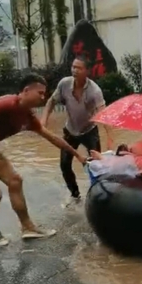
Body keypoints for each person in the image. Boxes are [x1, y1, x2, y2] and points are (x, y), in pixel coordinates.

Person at [0, 74, 88, 246]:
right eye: (40, 93)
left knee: (15, 180)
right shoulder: (5, 104)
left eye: (45, 94)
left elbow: (52, 138)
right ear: (26, 91)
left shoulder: (28, 117)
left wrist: (77, 154)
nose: (43, 98)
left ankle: (28, 228)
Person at [41, 57, 113, 200]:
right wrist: (44, 119)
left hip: (90, 131)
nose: (74, 70)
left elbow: (104, 114)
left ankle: (99, 195)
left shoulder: (94, 91)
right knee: (64, 165)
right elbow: (51, 101)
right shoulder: (64, 84)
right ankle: (75, 195)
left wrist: (110, 138)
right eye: (73, 67)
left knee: (98, 165)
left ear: (87, 71)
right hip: (70, 131)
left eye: (79, 68)